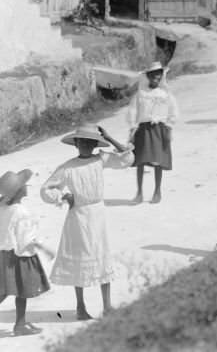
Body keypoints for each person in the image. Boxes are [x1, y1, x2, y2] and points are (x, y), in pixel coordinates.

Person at [40, 124, 134, 320]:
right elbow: (46, 189)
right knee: (79, 259)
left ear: (94, 144)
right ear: (75, 144)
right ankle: (80, 307)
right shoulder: (68, 167)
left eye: (89, 142)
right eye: (81, 141)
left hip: (97, 214)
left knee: (102, 255)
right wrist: (63, 196)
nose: (85, 145)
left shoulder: (101, 159)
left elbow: (127, 159)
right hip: (78, 216)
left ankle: (107, 306)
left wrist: (109, 136)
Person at [0, 169, 53, 336]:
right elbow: (26, 238)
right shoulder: (20, 212)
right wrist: (43, 247)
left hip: (3, 253)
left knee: (5, 290)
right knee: (20, 291)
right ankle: (20, 324)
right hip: (18, 256)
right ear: (18, 192)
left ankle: (21, 323)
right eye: (24, 185)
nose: (26, 186)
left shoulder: (2, 206)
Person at [126, 62, 179, 204]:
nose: (156, 76)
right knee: (140, 161)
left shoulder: (165, 94)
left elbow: (173, 112)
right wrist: (132, 128)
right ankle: (139, 192)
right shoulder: (141, 94)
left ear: (162, 76)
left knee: (158, 161)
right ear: (148, 76)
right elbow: (132, 111)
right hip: (143, 129)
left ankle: (157, 191)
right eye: (153, 74)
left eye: (159, 74)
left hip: (159, 129)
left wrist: (168, 127)